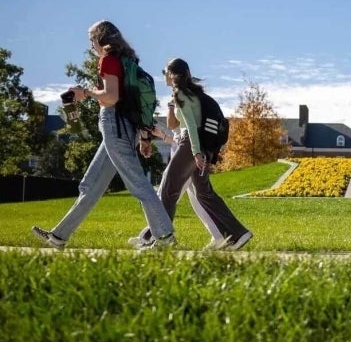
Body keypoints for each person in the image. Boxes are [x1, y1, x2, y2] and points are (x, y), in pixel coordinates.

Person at [31, 20, 176, 250]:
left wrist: (85, 93)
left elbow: (111, 97)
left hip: (114, 125)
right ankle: (59, 236)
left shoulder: (108, 59)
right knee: (91, 185)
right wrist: (144, 137)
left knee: (138, 183)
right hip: (123, 127)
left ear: (101, 38)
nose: (90, 45)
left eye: (91, 40)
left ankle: (165, 236)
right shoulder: (125, 60)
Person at [135, 58, 253, 251]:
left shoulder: (180, 93)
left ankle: (162, 240)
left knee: (168, 190)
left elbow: (189, 126)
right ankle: (238, 234)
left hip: (190, 145)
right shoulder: (194, 94)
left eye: (165, 72)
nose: (164, 75)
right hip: (201, 146)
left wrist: (196, 152)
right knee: (204, 193)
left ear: (172, 74)